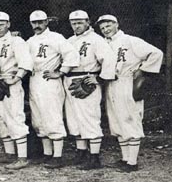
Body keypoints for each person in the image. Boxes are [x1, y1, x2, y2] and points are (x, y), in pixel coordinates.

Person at [97, 14, 163, 172]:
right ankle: (125, 158)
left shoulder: (129, 40)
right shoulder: (104, 43)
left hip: (127, 82)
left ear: (117, 24)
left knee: (130, 119)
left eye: (108, 25)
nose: (106, 29)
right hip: (111, 83)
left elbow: (156, 53)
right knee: (117, 121)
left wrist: (141, 70)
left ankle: (132, 162)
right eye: (103, 28)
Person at [26, 10, 79, 169]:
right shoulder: (29, 41)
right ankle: (47, 154)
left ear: (46, 22)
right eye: (34, 23)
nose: (37, 25)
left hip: (49, 80)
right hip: (34, 79)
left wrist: (61, 72)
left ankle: (58, 156)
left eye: (40, 22)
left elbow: (71, 54)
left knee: (52, 116)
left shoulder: (56, 37)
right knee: (38, 119)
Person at [65, 10, 116, 170]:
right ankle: (81, 153)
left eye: (80, 22)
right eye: (74, 23)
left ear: (87, 22)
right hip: (70, 80)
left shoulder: (96, 40)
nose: (77, 26)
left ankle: (94, 157)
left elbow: (108, 60)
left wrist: (99, 79)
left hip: (87, 80)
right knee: (74, 119)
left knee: (89, 118)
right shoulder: (70, 40)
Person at [0, 11, 33, 170]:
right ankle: (10, 154)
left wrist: (16, 78)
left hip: (10, 82)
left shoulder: (16, 40)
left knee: (15, 117)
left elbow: (25, 62)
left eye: (2, 24)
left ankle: (22, 157)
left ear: (8, 24)